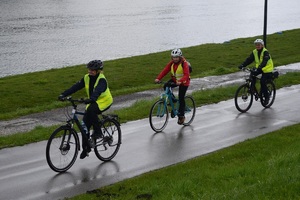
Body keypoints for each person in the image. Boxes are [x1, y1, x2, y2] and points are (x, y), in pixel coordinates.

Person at [58, 60, 113, 159]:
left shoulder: (102, 80)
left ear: (98, 71)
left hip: (104, 101)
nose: (90, 71)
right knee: (84, 126)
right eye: (89, 69)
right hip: (93, 102)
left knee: (91, 110)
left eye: (92, 70)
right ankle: (86, 149)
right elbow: (75, 87)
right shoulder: (86, 78)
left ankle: (98, 132)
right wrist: (64, 94)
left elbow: (97, 91)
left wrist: (91, 99)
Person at [154, 48, 190, 125]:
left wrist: (180, 82)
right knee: (166, 85)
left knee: (181, 97)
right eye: (173, 57)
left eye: (176, 57)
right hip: (175, 80)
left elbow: (186, 75)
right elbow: (165, 70)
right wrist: (158, 78)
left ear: (180, 57)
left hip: (184, 82)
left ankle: (181, 116)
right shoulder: (172, 63)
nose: (175, 59)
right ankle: (172, 100)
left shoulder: (184, 63)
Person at [238, 39, 274, 104]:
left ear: (262, 45)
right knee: (252, 74)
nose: (257, 46)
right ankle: (252, 89)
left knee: (262, 81)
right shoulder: (254, 52)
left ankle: (266, 97)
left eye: (259, 45)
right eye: (256, 45)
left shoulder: (265, 52)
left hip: (267, 69)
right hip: (260, 68)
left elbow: (265, 61)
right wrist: (242, 65)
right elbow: (249, 59)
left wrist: (260, 67)